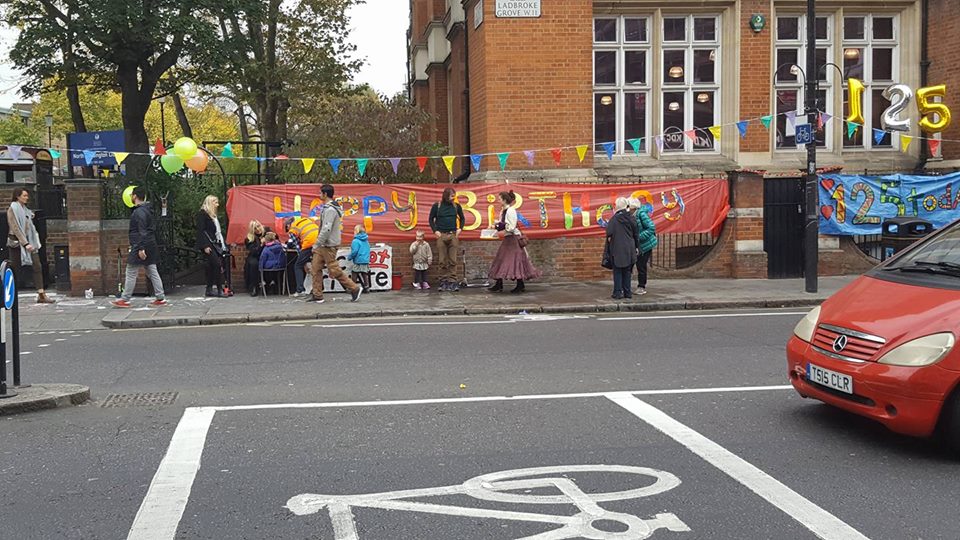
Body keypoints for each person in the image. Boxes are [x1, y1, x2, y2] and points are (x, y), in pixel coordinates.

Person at [111, 186, 166, 308]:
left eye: (131, 195)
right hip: (150, 243)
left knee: (131, 271)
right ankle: (160, 298)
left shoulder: (139, 212)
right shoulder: (148, 210)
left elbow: (142, 230)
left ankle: (125, 299)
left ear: (135, 196)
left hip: (140, 245)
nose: (131, 197)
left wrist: (141, 248)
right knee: (152, 270)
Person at [307, 184, 362, 304]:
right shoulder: (327, 208)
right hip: (323, 245)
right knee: (315, 268)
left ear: (325, 194)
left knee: (334, 270)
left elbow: (326, 229)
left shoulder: (331, 210)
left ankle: (354, 288)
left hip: (328, 245)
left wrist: (317, 243)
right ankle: (317, 294)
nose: (319, 195)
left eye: (320, 193)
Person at [487, 190, 541, 294]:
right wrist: (497, 225)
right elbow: (504, 224)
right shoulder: (504, 210)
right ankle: (500, 283)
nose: (498, 200)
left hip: (513, 238)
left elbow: (510, 227)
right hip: (508, 238)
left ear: (504, 200)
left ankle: (519, 285)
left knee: (515, 260)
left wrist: (497, 226)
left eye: (499, 198)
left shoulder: (511, 210)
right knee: (501, 259)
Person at [7, 187, 54, 303]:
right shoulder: (12, 209)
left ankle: (41, 294)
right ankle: (8, 292)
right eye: (24, 195)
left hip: (30, 241)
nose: (27, 198)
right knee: (15, 268)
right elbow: (16, 228)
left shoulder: (25, 210)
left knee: (37, 266)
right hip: (17, 243)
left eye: (27, 195)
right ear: (18, 196)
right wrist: (25, 243)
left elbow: (28, 223)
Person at [428, 187, 465, 291]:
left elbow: (462, 218)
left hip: (453, 234)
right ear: (446, 196)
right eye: (452, 196)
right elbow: (431, 219)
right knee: (442, 260)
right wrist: (435, 231)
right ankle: (443, 281)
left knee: (453, 260)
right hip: (441, 235)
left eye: (454, 196)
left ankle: (453, 281)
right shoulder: (437, 206)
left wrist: (460, 229)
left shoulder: (456, 206)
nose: (453, 198)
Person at [195, 195, 230, 298]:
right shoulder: (202, 214)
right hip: (208, 244)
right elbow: (201, 231)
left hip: (215, 243)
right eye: (215, 202)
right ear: (210, 203)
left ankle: (209, 289)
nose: (217, 204)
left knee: (211, 266)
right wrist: (205, 245)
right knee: (217, 264)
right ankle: (219, 289)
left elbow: (216, 231)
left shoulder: (213, 216)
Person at [606, 197, 639, 300]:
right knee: (627, 271)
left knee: (618, 271)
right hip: (629, 248)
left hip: (617, 248)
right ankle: (627, 293)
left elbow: (609, 232)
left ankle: (617, 293)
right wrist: (637, 247)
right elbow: (636, 234)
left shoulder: (614, 219)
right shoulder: (631, 218)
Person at [285, 215, 319, 296]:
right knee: (317, 266)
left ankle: (300, 290)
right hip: (320, 241)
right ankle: (319, 288)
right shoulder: (306, 220)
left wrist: (302, 260)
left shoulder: (292, 230)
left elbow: (297, 246)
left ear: (288, 226)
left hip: (309, 243)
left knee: (297, 266)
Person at [631, 198, 658, 296]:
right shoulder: (633, 215)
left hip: (646, 244)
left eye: (629, 207)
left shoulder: (641, 214)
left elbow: (651, 228)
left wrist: (639, 237)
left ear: (634, 208)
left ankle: (641, 286)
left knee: (641, 265)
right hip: (639, 245)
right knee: (637, 265)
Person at [244, 219, 265, 296]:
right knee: (253, 264)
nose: (258, 229)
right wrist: (261, 244)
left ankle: (272, 284)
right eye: (255, 228)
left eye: (258, 226)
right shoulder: (249, 239)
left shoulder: (267, 232)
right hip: (255, 256)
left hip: (267, 255)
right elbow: (254, 252)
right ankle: (254, 287)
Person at [348, 224, 371, 293]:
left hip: (358, 260)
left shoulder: (355, 241)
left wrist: (350, 257)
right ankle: (367, 287)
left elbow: (354, 251)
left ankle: (353, 288)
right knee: (364, 273)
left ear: (356, 231)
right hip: (365, 260)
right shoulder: (366, 240)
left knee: (354, 273)